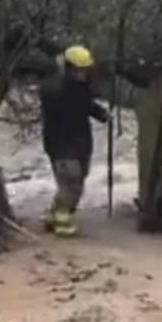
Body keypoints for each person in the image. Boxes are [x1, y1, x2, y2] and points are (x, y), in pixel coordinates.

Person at [38, 45, 109, 238]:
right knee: (71, 181)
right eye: (79, 70)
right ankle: (62, 219)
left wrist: (101, 113)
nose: (83, 74)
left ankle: (54, 214)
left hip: (80, 141)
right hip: (61, 143)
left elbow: (86, 105)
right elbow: (65, 102)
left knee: (76, 180)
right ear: (68, 68)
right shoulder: (54, 88)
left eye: (85, 70)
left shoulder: (80, 88)